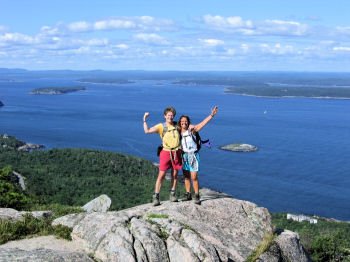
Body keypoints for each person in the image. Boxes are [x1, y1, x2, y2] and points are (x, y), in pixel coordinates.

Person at [143, 106, 182, 206]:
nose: (170, 117)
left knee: (174, 175)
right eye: (168, 115)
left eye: (172, 115)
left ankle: (172, 195)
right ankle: (156, 197)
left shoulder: (177, 126)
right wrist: (144, 119)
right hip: (165, 152)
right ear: (164, 116)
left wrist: (211, 116)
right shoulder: (161, 126)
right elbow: (147, 131)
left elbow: (190, 127)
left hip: (176, 152)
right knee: (161, 175)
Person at [179, 106, 218, 205]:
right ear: (180, 123)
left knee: (194, 177)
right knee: (186, 177)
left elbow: (202, 124)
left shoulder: (192, 130)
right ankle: (188, 195)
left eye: (186, 121)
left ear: (188, 122)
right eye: (182, 121)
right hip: (184, 156)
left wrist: (212, 115)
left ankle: (197, 196)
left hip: (193, 156)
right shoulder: (178, 132)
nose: (184, 122)